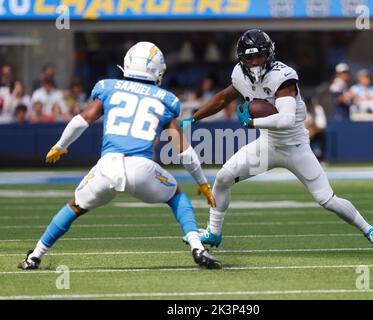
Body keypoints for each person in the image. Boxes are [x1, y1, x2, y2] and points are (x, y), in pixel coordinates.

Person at [181, 29, 373, 254]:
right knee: (222, 179)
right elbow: (223, 98)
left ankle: (369, 230)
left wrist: (251, 123)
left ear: (270, 54)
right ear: (241, 59)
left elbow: (286, 119)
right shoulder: (239, 75)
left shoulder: (282, 76)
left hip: (295, 147)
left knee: (326, 199)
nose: (255, 62)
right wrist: (193, 118)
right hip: (268, 145)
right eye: (249, 57)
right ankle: (214, 231)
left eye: (259, 56)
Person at [18, 42, 221, 270]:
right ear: (158, 72)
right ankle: (197, 248)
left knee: (75, 206)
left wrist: (61, 145)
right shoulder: (165, 99)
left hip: (108, 167)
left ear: (127, 64)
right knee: (176, 197)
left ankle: (34, 256)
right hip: (142, 169)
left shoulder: (109, 87)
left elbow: (82, 119)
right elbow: (183, 150)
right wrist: (202, 182)